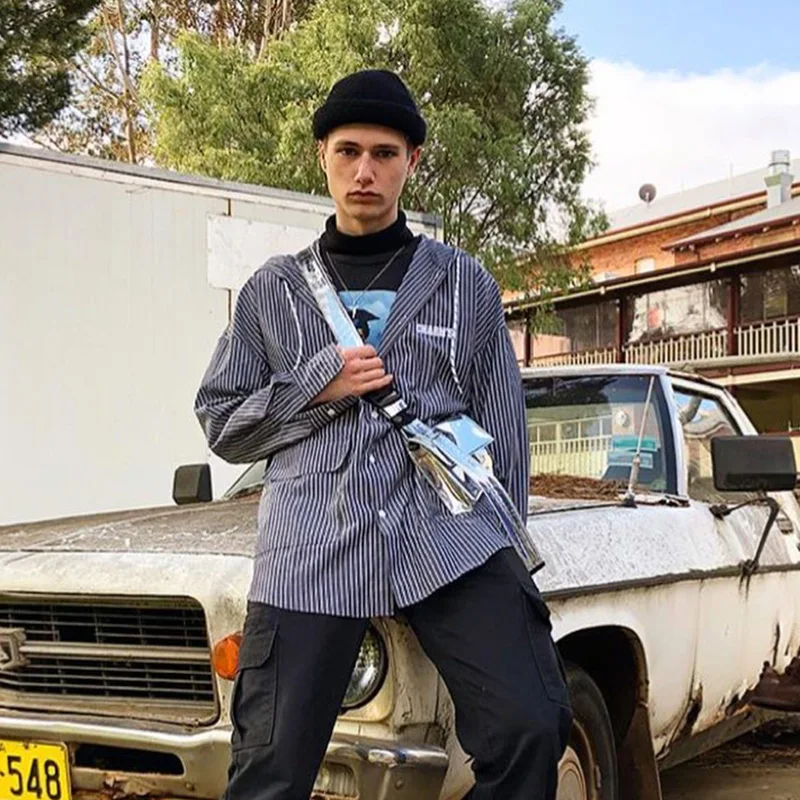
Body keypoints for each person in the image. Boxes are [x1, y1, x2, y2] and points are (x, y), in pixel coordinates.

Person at [195, 69, 572, 800]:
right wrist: (320, 384)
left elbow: (503, 436)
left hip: (446, 542)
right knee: (268, 771)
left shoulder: (464, 283)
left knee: (532, 723)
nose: (364, 171)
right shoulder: (273, 291)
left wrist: (508, 557)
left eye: (384, 153)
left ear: (411, 161)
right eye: (348, 151)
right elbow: (223, 423)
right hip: (311, 545)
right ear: (322, 157)